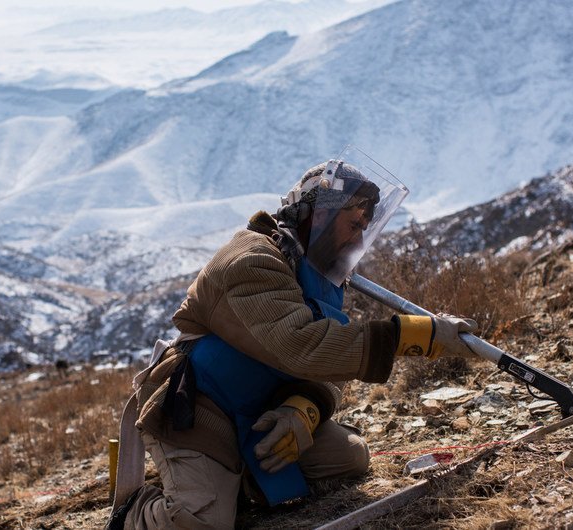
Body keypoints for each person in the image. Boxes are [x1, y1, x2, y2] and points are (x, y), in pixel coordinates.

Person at [109, 148, 480, 529]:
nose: (358, 237)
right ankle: (135, 513)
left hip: (259, 409)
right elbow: (303, 346)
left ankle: (236, 479)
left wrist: (304, 409)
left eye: (364, 227)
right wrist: (412, 334)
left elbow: (331, 364)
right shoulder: (252, 259)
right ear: (318, 214)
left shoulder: (318, 277)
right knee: (202, 523)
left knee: (349, 458)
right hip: (201, 409)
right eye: (353, 223)